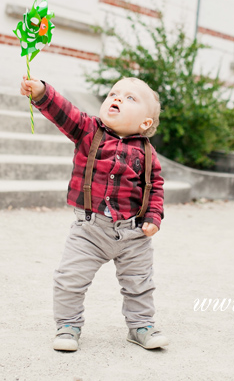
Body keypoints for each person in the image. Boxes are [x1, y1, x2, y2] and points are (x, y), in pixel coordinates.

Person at [20, 75, 168, 352]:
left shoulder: (148, 153)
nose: (117, 99)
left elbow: (155, 187)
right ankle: (68, 325)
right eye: (114, 94)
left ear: (145, 124)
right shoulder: (88, 131)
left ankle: (141, 326)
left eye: (129, 98)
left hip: (133, 233)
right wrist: (41, 92)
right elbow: (64, 111)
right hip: (90, 229)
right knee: (70, 278)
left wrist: (153, 218)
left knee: (139, 284)